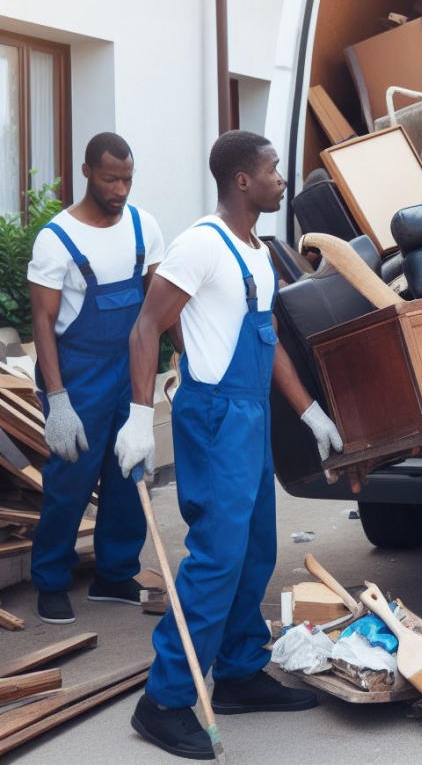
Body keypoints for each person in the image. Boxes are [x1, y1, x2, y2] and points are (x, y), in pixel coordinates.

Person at [115, 130, 343, 761]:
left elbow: (266, 343)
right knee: (216, 556)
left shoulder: (256, 250)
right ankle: (163, 700)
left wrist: (310, 411)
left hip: (249, 415)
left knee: (255, 550)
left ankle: (240, 672)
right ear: (242, 180)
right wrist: (138, 419)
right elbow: (145, 328)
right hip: (213, 416)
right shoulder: (200, 246)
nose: (280, 179)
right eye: (272, 170)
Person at [28, 132, 165, 625]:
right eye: (111, 179)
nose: (121, 189)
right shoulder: (56, 239)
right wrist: (58, 399)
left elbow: (157, 309)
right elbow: (41, 321)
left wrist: (175, 370)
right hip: (78, 372)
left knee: (129, 474)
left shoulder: (143, 226)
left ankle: (114, 573)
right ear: (87, 171)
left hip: (129, 367)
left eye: (128, 179)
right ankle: (50, 578)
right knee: (71, 477)